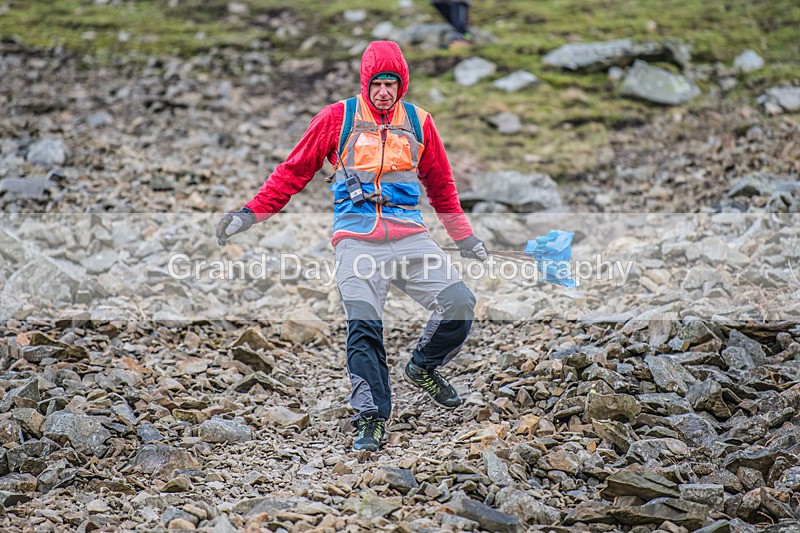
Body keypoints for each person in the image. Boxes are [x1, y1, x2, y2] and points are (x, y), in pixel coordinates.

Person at [215, 41, 488, 452]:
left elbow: (442, 187)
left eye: (390, 83)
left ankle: (423, 367)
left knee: (460, 303)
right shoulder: (336, 118)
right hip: (356, 243)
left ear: (402, 85)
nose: (383, 91)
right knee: (364, 328)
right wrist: (249, 213)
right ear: (366, 83)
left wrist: (464, 237)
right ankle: (371, 418)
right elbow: (292, 173)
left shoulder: (419, 122)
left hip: (410, 237)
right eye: (376, 83)